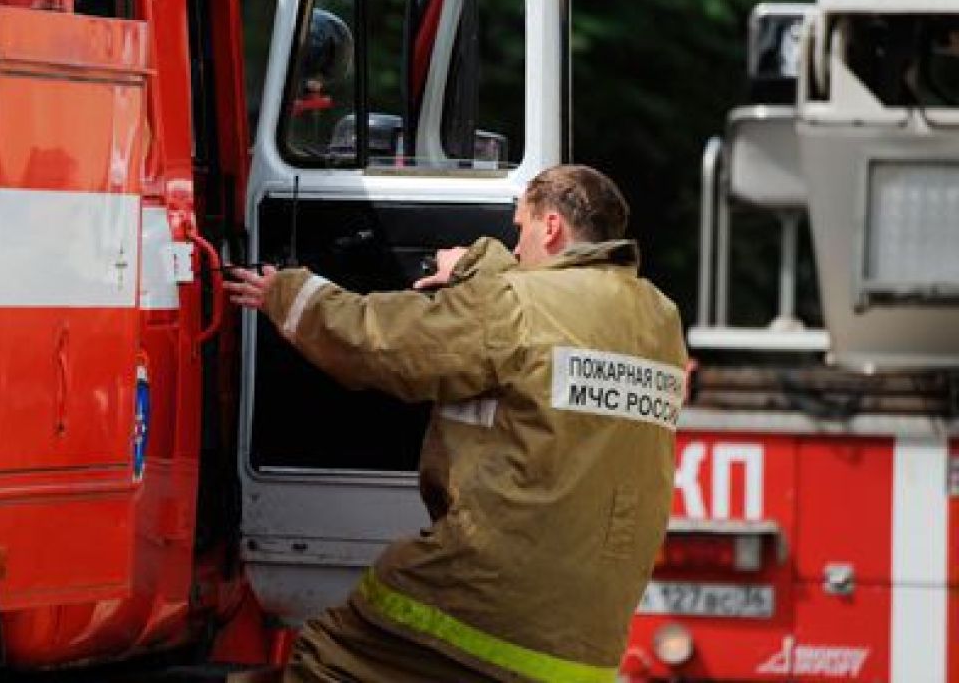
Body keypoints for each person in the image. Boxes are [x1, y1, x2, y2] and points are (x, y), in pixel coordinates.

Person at [226, 164, 688, 683]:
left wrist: (290, 294)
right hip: (587, 638)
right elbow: (550, 342)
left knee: (332, 657)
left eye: (520, 230)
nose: (516, 249)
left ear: (552, 227)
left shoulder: (518, 304)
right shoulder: (659, 319)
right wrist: (479, 273)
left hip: (489, 595)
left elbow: (388, 345)